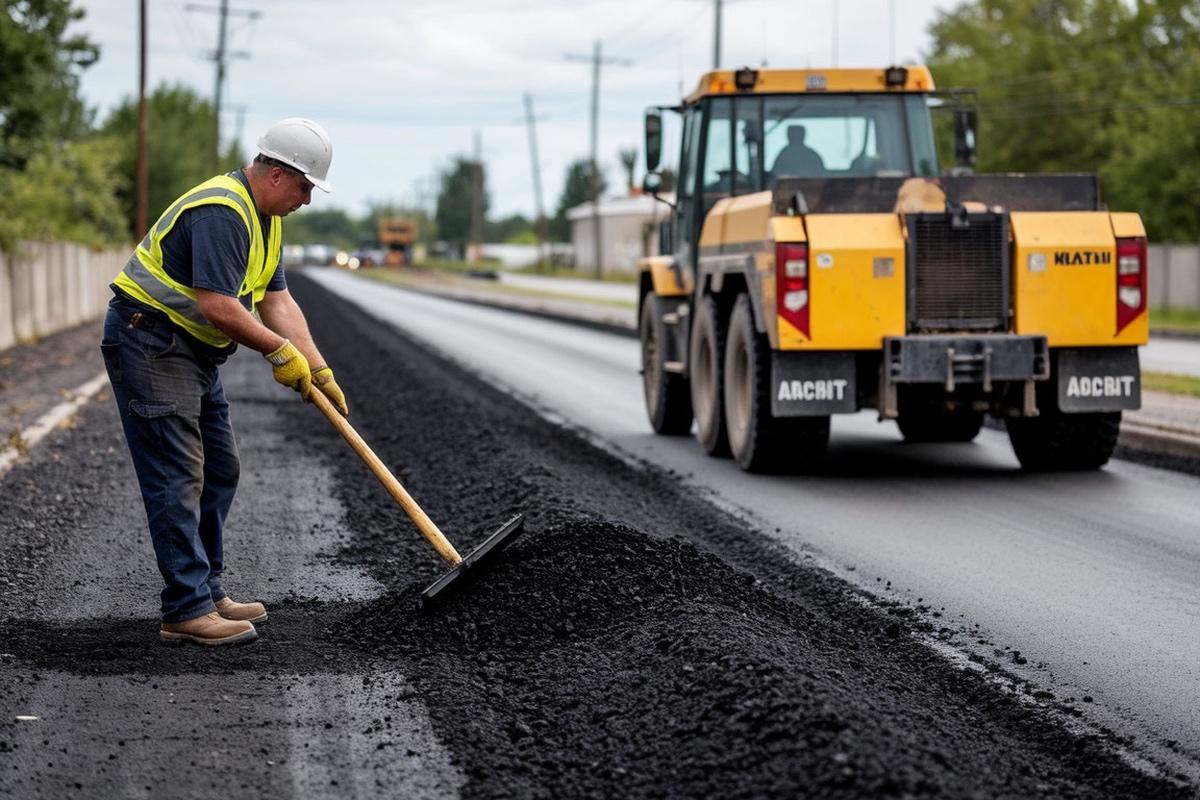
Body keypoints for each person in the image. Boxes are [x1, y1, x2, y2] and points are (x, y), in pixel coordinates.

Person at [100, 118, 348, 646]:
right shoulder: (222, 211)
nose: (308, 200)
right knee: (177, 472)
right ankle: (186, 609)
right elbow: (217, 304)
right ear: (279, 174)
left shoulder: (266, 219)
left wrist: (317, 366)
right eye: (306, 187)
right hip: (151, 341)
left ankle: (207, 591)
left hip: (191, 351)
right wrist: (279, 353)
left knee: (220, 469)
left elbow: (277, 299)